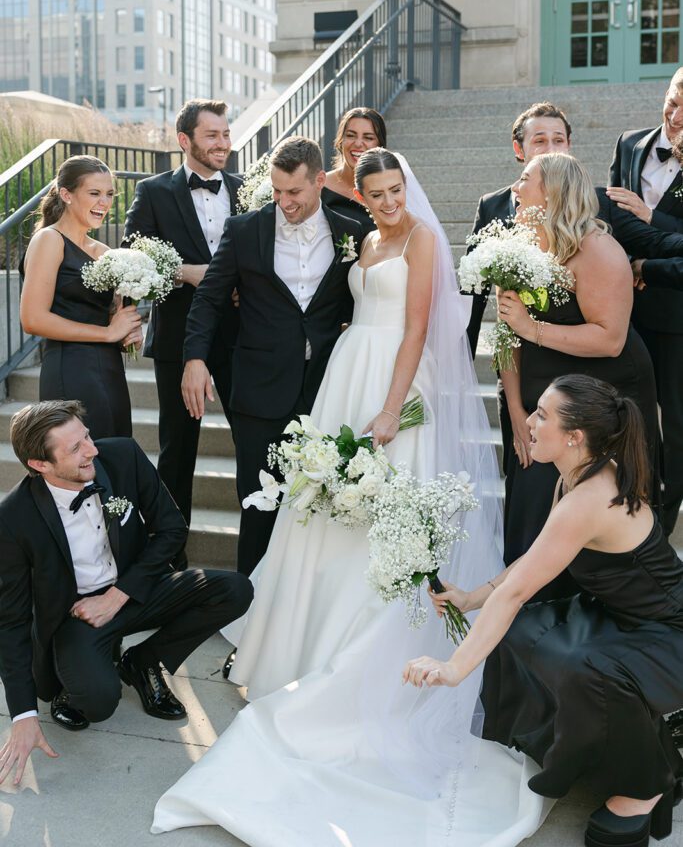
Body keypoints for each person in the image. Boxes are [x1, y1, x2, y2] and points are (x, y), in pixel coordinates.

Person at [152, 152, 519, 847]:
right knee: (319, 512)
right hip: (341, 375)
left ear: (404, 186)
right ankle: (302, 641)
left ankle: (370, 655)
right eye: (374, 191)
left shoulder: (415, 237)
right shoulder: (362, 234)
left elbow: (415, 329)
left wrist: (390, 409)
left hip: (391, 384)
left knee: (386, 516)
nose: (383, 201)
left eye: (392, 190)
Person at [404, 374, 683, 847]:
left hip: (667, 630)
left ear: (574, 436)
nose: (529, 421)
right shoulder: (577, 474)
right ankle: (584, 749)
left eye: (542, 414)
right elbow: (534, 559)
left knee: (586, 668)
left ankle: (647, 783)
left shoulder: (591, 497)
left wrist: (454, 668)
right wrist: (472, 597)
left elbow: (516, 594)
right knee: (522, 637)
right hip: (619, 614)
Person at [0, 400, 252, 787]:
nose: (92, 450)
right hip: (76, 614)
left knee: (234, 590)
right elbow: (13, 619)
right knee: (98, 704)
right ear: (40, 465)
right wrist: (23, 715)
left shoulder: (122, 456)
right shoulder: (13, 517)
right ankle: (74, 683)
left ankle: (145, 661)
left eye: (86, 436)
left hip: (133, 588)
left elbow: (171, 530)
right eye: (76, 448)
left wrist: (117, 595)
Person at [181, 135, 367, 577]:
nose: (284, 201)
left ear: (320, 181)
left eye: (295, 192)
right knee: (260, 506)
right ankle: (250, 621)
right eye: (277, 191)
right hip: (258, 394)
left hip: (324, 391)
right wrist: (195, 358)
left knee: (318, 507)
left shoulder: (351, 233)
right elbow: (208, 298)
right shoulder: (245, 230)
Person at [498, 152, 659, 599]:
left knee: (598, 522)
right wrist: (515, 410)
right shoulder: (519, 247)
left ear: (551, 191)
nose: (515, 187)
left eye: (524, 179)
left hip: (605, 404)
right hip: (543, 409)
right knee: (530, 517)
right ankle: (527, 617)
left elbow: (610, 338)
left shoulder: (597, 249)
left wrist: (533, 328)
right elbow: (506, 338)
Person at [124, 99, 243, 569]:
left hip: (240, 339)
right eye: (212, 135)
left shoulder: (248, 189)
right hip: (177, 338)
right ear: (184, 140)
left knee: (256, 443)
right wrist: (186, 272)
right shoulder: (154, 192)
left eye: (226, 134)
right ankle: (169, 565)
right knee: (177, 453)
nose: (223, 144)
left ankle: (266, 559)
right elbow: (134, 261)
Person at [606, 68, 683, 535]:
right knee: (626, 418)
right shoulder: (629, 143)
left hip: (677, 315)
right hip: (624, 311)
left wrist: (650, 224)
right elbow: (614, 219)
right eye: (673, 101)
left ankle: (659, 525)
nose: (675, 116)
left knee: (675, 431)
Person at [20, 156, 141, 440]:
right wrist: (108, 332)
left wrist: (127, 335)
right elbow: (33, 319)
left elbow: (109, 320)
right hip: (70, 368)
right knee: (81, 463)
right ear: (66, 195)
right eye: (94, 193)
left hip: (110, 369)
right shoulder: (49, 240)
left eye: (109, 194)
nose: (104, 202)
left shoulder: (103, 251)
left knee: (115, 452)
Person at [466, 102, 572, 357]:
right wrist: (463, 356)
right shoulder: (492, 205)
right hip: (514, 352)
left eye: (558, 140)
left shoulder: (596, 202)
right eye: (540, 141)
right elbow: (474, 290)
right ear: (519, 148)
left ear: (569, 144)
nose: (551, 150)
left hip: (572, 347)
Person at [321, 106, 385, 226]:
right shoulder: (319, 187)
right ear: (340, 141)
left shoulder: (390, 190)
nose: (358, 143)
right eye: (351, 135)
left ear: (380, 145)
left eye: (368, 137)